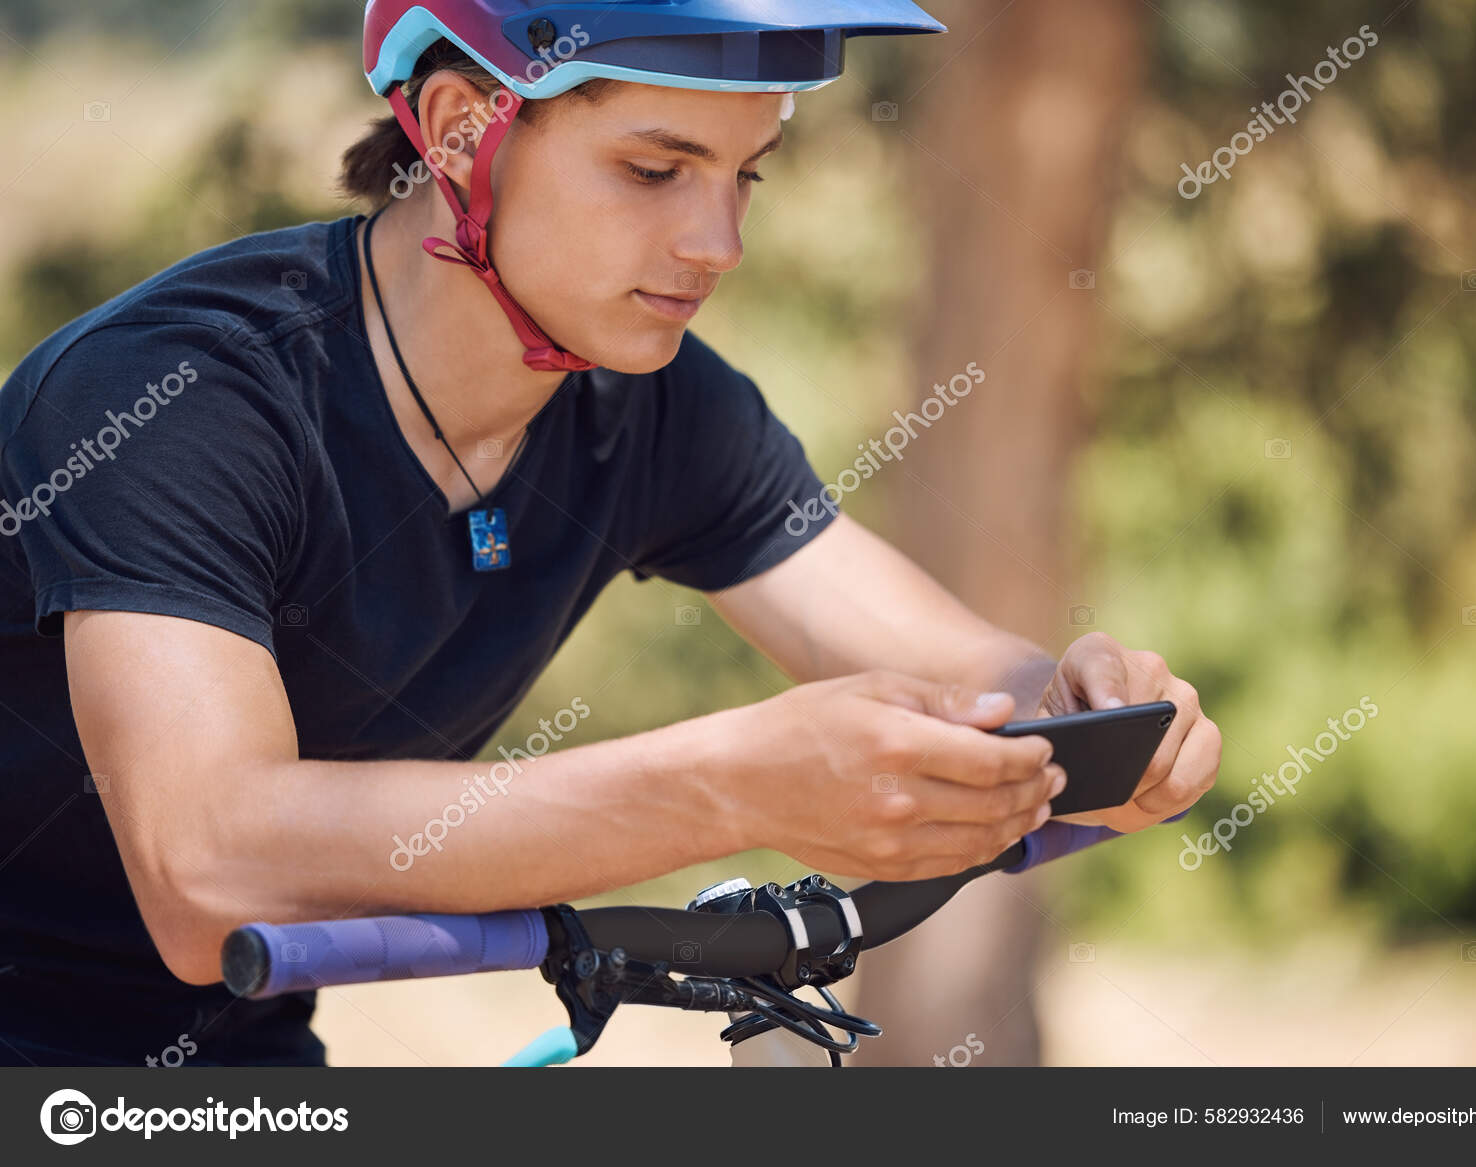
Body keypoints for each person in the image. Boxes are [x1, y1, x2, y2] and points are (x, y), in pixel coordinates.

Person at [0, 0, 1218, 1066]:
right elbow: (209, 873)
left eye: (747, 176)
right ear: (461, 129)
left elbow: (971, 676)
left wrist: (1087, 721)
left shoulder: (652, 406)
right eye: (653, 170)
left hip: (240, 1054)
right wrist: (727, 789)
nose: (717, 244)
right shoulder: (175, 398)